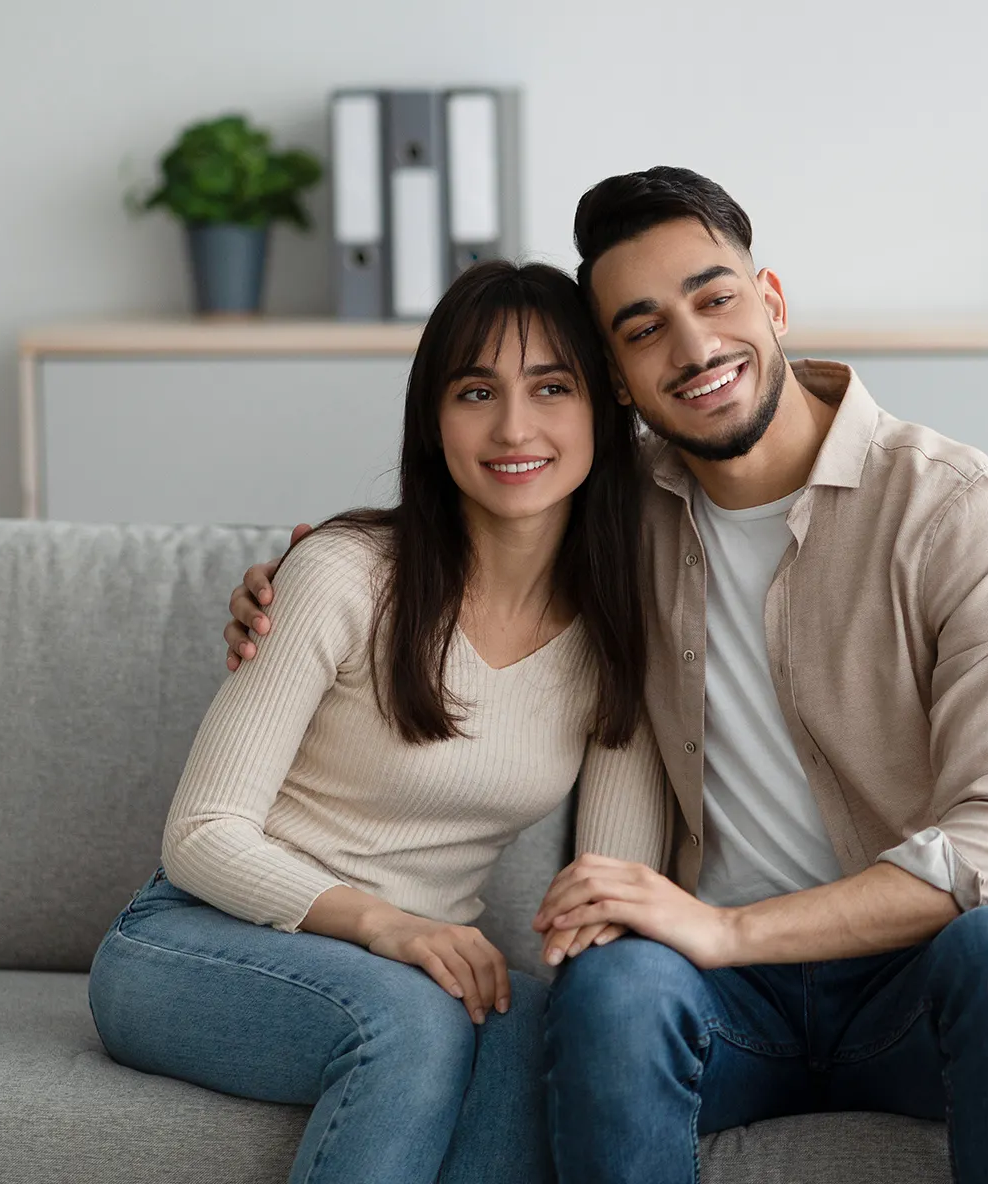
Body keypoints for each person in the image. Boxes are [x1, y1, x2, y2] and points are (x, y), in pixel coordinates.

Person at [224, 167, 988, 1183]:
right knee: (613, 987)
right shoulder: (609, 511)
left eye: (714, 297)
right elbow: (457, 538)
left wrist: (727, 929)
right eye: (642, 330)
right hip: (718, 1011)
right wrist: (293, 577)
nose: (692, 348)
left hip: (910, 989)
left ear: (769, 302)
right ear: (615, 376)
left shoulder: (952, 509)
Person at [88, 261, 671, 1184]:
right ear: (433, 420)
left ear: (603, 407)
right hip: (195, 942)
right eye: (476, 390)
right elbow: (201, 835)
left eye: (551, 388)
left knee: (538, 1035)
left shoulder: (620, 632)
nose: (514, 427)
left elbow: (608, 890)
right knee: (411, 1018)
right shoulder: (345, 573)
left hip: (417, 972)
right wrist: (385, 928)